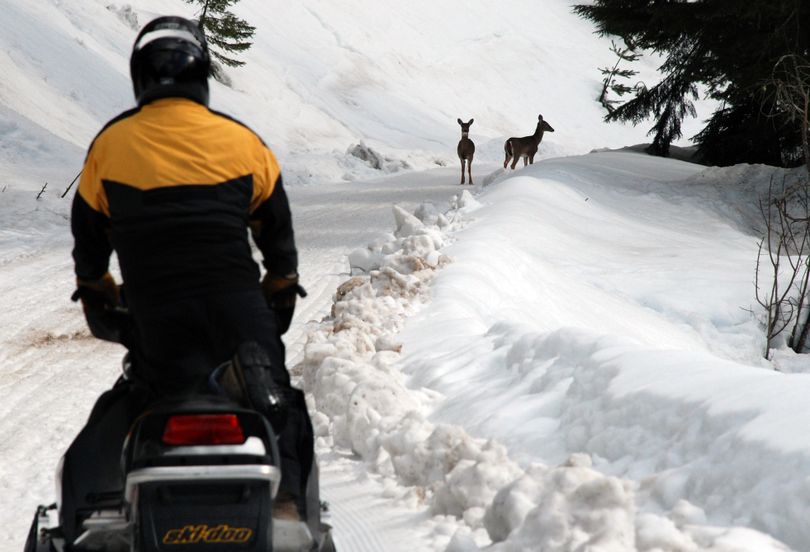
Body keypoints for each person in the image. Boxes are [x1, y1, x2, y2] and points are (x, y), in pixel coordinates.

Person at [60, 15, 313, 542]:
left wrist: (100, 298)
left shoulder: (110, 145)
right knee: (279, 399)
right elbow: (279, 241)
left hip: (155, 316)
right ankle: (286, 505)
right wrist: (279, 290)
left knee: (141, 398)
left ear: (140, 78)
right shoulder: (244, 143)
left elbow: (89, 248)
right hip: (239, 311)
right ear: (203, 75)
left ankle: (100, 515)